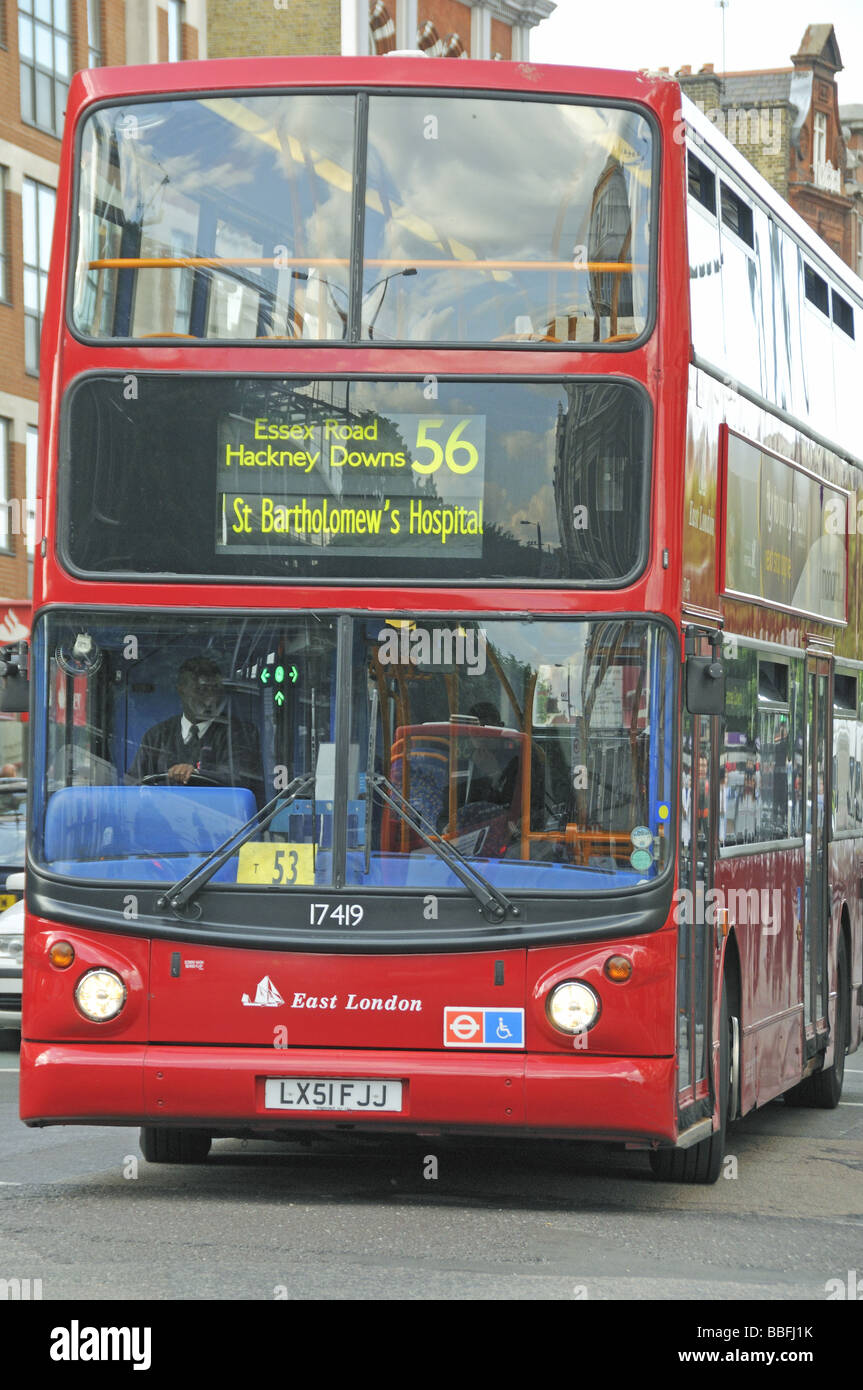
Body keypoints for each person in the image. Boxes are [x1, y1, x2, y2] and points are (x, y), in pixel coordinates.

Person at [130, 656, 262, 799]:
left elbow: (240, 779)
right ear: (181, 690)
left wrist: (196, 774)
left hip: (222, 818)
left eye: (215, 689)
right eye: (201, 690)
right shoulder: (156, 736)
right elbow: (133, 785)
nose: (210, 698)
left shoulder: (240, 733)